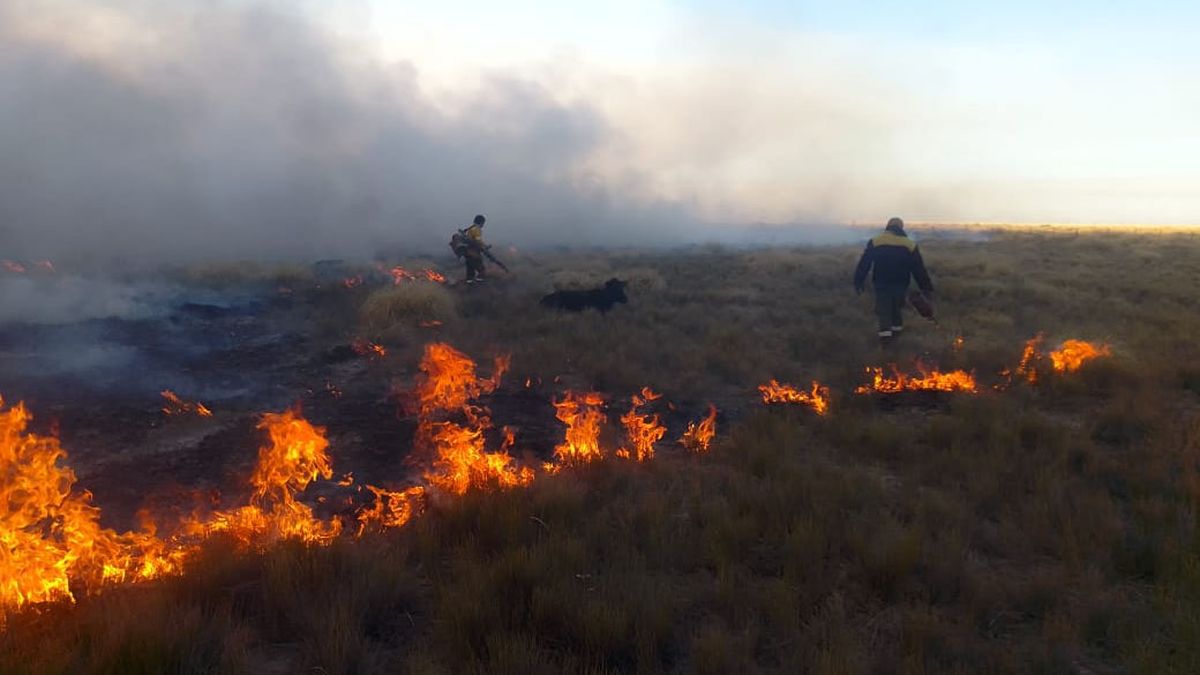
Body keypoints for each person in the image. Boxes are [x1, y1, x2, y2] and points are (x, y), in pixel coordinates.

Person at [853, 217, 933, 346]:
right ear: (901, 227)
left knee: (884, 310)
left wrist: (858, 282)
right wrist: (926, 287)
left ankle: (886, 341)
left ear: (887, 226)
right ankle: (896, 337)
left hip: (881, 283)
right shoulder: (909, 244)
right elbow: (918, 268)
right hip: (901, 283)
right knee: (897, 309)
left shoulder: (876, 241)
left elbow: (864, 264)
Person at [456, 214, 487, 283]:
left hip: (467, 251)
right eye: (483, 223)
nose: (483, 225)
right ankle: (480, 281)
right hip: (474, 251)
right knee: (480, 267)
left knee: (470, 266)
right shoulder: (477, 229)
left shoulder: (470, 228)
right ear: (481, 222)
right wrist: (485, 246)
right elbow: (478, 241)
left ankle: (469, 281)